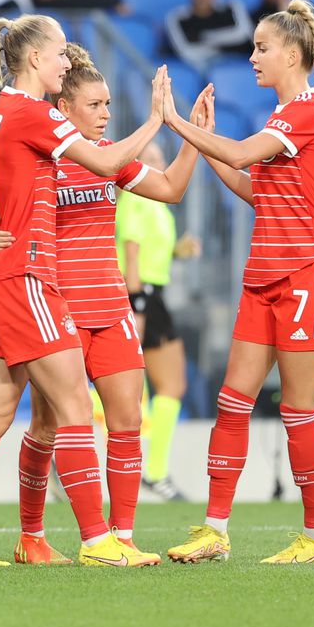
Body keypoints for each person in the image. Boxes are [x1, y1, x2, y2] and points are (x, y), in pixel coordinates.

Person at [0, 13, 168, 568]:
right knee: (74, 405)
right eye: (60, 52)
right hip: (25, 275)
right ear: (35, 58)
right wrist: (157, 118)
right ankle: (99, 542)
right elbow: (106, 159)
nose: (66, 61)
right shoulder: (32, 113)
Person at [0, 44, 203, 563]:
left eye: (108, 105)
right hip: (56, 306)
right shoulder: (42, 154)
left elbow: (169, 189)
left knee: (126, 421)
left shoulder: (110, 157)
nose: (105, 114)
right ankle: (33, 536)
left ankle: (121, 538)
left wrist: (194, 140)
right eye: (95, 105)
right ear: (65, 109)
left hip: (111, 305)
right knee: (46, 427)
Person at [162, 0, 314, 565]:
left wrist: (174, 123)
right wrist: (204, 137)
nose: (251, 57)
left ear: (292, 54)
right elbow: (254, 188)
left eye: (261, 47)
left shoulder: (309, 112)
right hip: (265, 276)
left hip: (308, 275)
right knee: (232, 402)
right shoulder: (283, 119)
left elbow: (244, 157)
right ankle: (215, 531)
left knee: (297, 411)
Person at [116, 141, 202, 501]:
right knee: (152, 383)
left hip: (152, 296)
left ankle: (153, 470)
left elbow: (150, 250)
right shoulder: (136, 198)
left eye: (159, 158)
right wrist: (136, 305)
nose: (157, 164)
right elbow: (131, 253)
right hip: (142, 297)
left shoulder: (156, 205)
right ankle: (153, 471)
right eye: (148, 159)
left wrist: (177, 251)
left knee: (162, 385)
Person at [164, 0, 254, 74]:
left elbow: (245, 35)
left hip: (242, 72)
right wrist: (225, 46)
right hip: (203, 75)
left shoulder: (233, 7)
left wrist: (207, 37)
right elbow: (188, 53)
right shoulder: (176, 18)